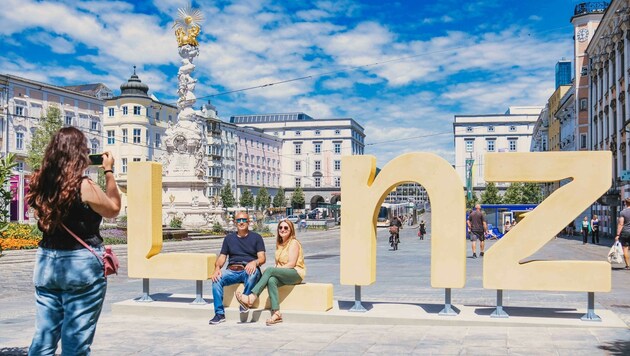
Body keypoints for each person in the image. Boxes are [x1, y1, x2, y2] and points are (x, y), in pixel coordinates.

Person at [26, 127, 121, 355]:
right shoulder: (84, 185)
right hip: (80, 265)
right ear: (80, 154)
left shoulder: (40, 182)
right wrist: (108, 171)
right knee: (75, 343)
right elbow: (114, 209)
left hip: (47, 262)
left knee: (43, 339)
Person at [235, 219, 306, 325]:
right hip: (285, 273)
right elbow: (278, 264)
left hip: (296, 273)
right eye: (280, 227)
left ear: (291, 230)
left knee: (269, 270)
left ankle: (251, 297)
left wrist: (272, 271)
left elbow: (291, 264)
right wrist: (271, 273)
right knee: (271, 280)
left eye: (286, 228)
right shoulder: (280, 244)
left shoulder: (294, 243)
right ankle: (276, 313)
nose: (283, 230)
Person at [209, 211, 266, 325]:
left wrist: (254, 263)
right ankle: (219, 314)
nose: (241, 222)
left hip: (249, 269)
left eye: (244, 220)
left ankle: (244, 302)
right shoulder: (229, 239)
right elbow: (222, 257)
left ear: (248, 222)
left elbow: (262, 258)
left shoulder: (256, 237)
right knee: (217, 279)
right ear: (235, 222)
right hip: (232, 270)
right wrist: (217, 269)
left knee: (253, 273)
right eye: (238, 220)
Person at [615, 198, 630, 270]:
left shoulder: (623, 212)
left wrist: (618, 235)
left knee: (625, 248)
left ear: (625, 203)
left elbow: (621, 224)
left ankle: (628, 265)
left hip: (625, 232)